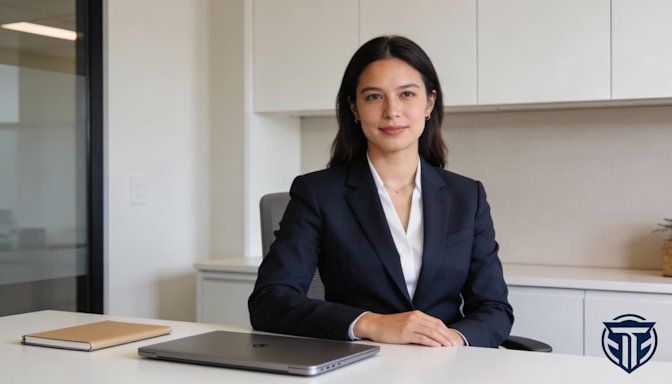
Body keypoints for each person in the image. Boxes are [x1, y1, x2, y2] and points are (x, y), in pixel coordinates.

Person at [248, 35, 513, 348]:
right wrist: (371, 324)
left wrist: (452, 340)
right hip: (359, 363)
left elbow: (494, 308)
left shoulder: (468, 197)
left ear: (429, 103)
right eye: (374, 97)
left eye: (407, 95)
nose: (392, 111)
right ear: (354, 108)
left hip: (446, 365)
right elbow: (270, 301)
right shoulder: (318, 194)